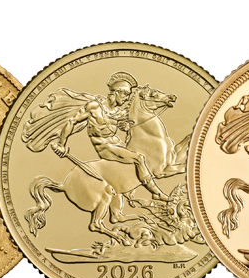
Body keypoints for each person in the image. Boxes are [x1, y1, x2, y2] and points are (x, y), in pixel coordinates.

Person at [48, 72, 170, 201]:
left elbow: (135, 122)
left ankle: (129, 191)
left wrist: (127, 126)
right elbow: (72, 122)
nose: (127, 99)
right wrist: (61, 144)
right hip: (104, 147)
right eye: (126, 94)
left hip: (118, 144)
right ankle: (156, 193)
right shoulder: (94, 107)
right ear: (116, 92)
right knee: (139, 158)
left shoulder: (119, 112)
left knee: (143, 159)